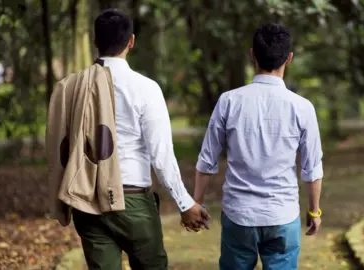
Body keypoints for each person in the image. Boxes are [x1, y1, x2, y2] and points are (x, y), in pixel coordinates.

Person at [48, 9, 209, 270]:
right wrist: (184, 203)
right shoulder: (145, 88)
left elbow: (60, 146)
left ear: (94, 41)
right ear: (131, 41)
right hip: (133, 203)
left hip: (87, 201)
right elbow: (161, 155)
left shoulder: (71, 87)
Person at [193, 23, 324, 270]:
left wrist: (197, 202)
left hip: (238, 216)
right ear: (289, 58)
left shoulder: (229, 101)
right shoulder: (302, 107)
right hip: (282, 215)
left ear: (252, 54)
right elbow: (312, 167)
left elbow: (206, 160)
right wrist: (314, 211)